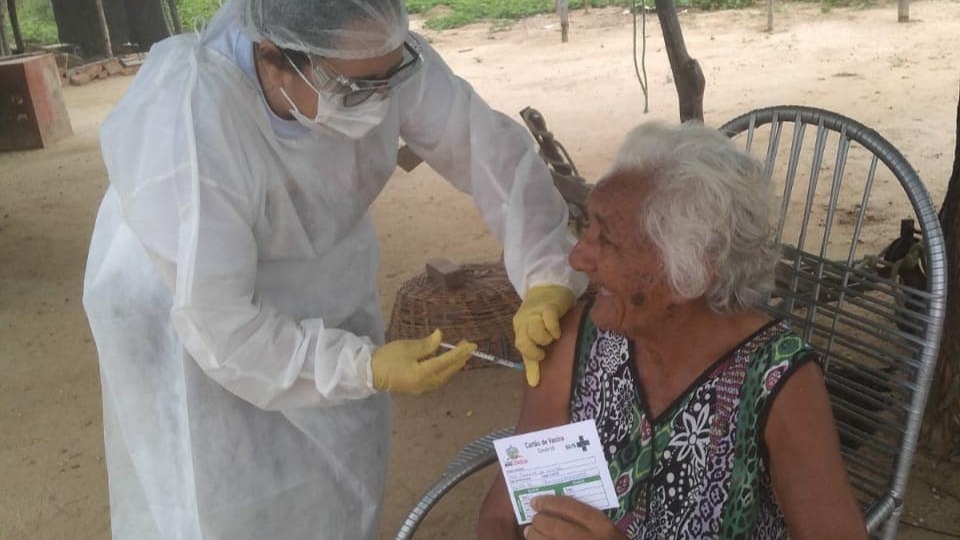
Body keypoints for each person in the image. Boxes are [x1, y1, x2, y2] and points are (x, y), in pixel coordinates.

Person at [81, 1, 586, 539]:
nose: (380, 99)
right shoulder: (192, 125)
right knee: (225, 490)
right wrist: (361, 368)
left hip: (318, 274)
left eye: (391, 73)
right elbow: (223, 332)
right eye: (353, 86)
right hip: (189, 299)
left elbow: (490, 152)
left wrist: (546, 274)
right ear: (274, 58)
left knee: (337, 468)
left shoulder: (378, 56)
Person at [478, 122, 868, 540]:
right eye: (585, 228)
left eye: (607, 241)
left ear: (689, 274)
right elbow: (502, 515)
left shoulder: (776, 381)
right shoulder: (578, 342)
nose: (576, 258)